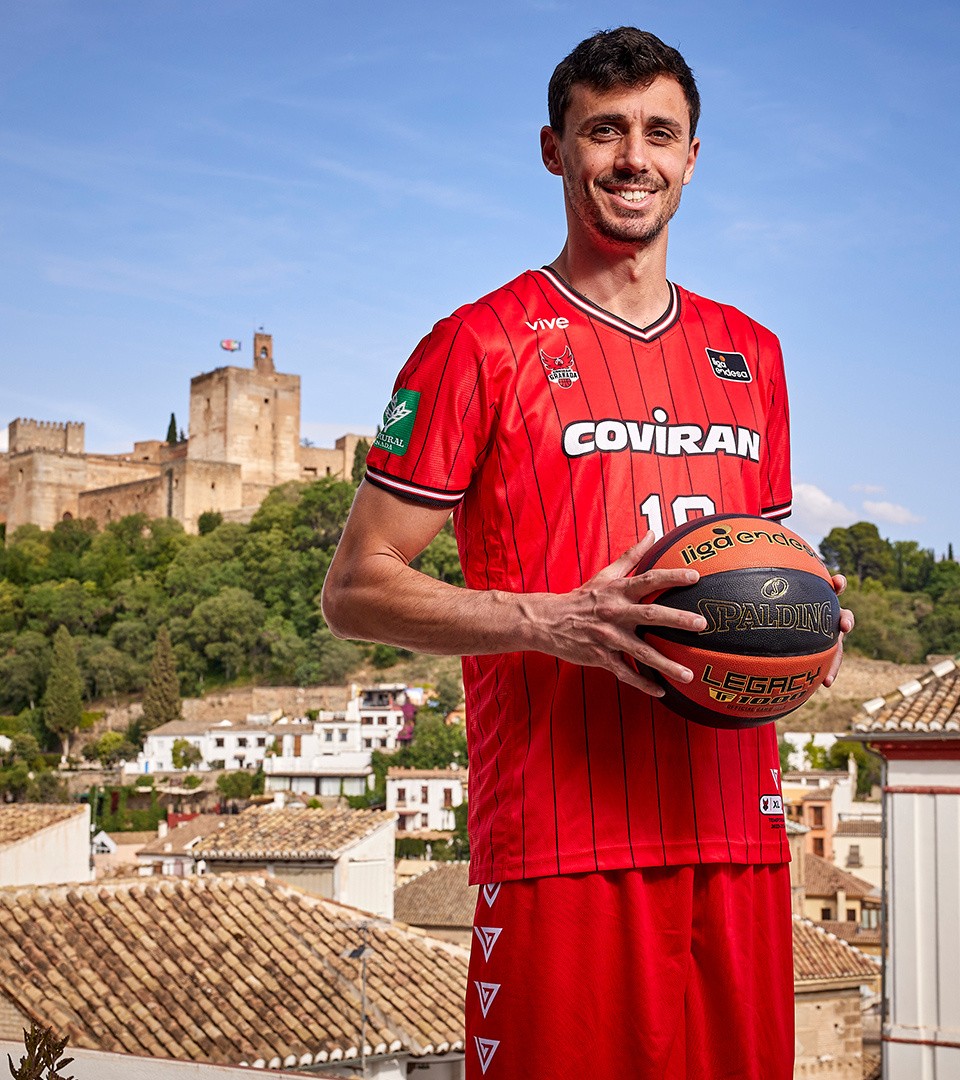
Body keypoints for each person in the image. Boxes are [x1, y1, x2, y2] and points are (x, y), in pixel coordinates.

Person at [323, 26, 851, 1080]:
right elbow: (355, 589)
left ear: (691, 156)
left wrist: (806, 623)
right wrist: (550, 619)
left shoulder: (753, 353)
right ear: (554, 149)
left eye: (659, 132)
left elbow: (760, 563)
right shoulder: (478, 343)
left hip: (738, 832)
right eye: (604, 131)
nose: (633, 157)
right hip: (563, 842)